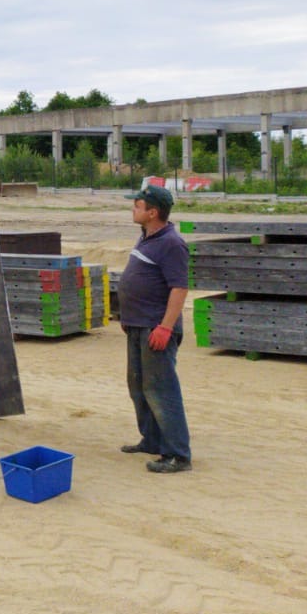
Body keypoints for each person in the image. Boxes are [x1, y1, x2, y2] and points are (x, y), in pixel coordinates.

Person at [118, 184, 193, 474]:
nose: (133, 209)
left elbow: (179, 288)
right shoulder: (147, 237)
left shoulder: (172, 243)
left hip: (155, 328)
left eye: (137, 206)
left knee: (161, 390)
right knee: (138, 387)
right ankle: (152, 439)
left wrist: (165, 327)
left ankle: (178, 454)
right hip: (138, 325)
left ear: (153, 212)